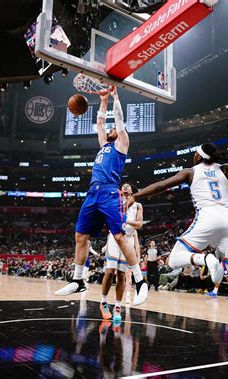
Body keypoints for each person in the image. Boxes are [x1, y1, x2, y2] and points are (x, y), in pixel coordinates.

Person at [126, 143, 228, 359]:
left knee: (174, 259)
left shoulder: (191, 171)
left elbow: (162, 185)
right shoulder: (226, 167)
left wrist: (137, 195)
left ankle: (205, 258)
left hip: (207, 216)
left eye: (194, 153)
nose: (192, 155)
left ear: (199, 156)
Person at [55, 87, 148, 306]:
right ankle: (78, 279)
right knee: (80, 236)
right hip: (92, 192)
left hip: (108, 191)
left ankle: (140, 281)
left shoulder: (121, 143)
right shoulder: (104, 145)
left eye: (114, 127)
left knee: (118, 236)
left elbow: (119, 119)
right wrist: (103, 101)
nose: (111, 128)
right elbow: (99, 123)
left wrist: (115, 98)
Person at [100, 183, 143, 322]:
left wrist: (126, 220)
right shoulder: (116, 202)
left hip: (128, 239)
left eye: (128, 186)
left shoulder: (137, 205)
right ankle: (103, 302)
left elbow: (139, 224)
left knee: (122, 275)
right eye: (123, 186)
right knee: (110, 271)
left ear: (133, 190)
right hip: (115, 236)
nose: (125, 187)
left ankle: (118, 306)